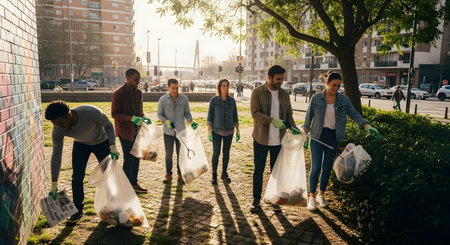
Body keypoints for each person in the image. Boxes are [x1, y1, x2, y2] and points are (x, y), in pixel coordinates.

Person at [303, 71, 380, 211]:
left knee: (326, 168)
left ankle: (321, 194)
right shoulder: (316, 98)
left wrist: (366, 126)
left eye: (339, 85)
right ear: (327, 83)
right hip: (317, 136)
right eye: (334, 85)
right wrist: (304, 134)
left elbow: (354, 113)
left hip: (333, 137)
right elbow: (308, 118)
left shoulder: (344, 100)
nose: (336, 88)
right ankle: (311, 197)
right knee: (316, 168)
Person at [46, 100, 120, 223]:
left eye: (61, 123)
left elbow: (108, 126)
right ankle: (77, 209)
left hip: (102, 143)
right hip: (81, 145)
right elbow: (56, 155)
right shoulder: (58, 129)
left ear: (68, 115)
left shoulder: (90, 112)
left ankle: (111, 208)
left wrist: (112, 146)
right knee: (77, 177)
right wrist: (54, 183)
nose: (61, 128)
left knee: (108, 176)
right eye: (56, 125)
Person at [250, 65, 301, 212]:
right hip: (261, 139)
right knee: (258, 170)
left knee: (276, 172)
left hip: (279, 141)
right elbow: (255, 113)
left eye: (282, 79)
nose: (280, 82)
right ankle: (256, 200)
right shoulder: (257, 92)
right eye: (278, 79)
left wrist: (294, 128)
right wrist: (272, 120)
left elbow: (289, 115)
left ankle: (275, 199)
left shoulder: (284, 94)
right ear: (269, 77)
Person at [112, 68, 151, 194]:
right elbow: (115, 114)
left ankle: (133, 183)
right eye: (136, 80)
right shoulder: (118, 94)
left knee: (137, 156)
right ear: (127, 78)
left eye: (139, 80)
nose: (138, 82)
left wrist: (144, 118)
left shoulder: (139, 93)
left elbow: (140, 110)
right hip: (125, 131)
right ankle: (124, 186)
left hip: (137, 130)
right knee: (129, 158)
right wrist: (131, 119)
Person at [157, 78, 198, 183]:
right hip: (168, 132)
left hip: (181, 131)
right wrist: (165, 121)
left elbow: (187, 113)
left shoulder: (184, 99)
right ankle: (168, 174)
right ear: (168, 87)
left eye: (177, 88)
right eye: (173, 88)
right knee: (168, 154)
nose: (175, 90)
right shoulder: (163, 99)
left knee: (181, 154)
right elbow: (159, 114)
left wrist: (191, 121)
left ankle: (180, 174)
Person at [207, 79, 240, 185]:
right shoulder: (214, 100)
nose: (225, 88)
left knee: (226, 154)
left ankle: (224, 174)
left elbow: (235, 115)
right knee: (216, 153)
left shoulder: (232, 101)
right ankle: (214, 175)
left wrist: (238, 130)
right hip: (216, 131)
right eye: (223, 86)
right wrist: (209, 130)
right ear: (219, 87)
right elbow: (210, 115)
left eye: (227, 86)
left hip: (229, 131)